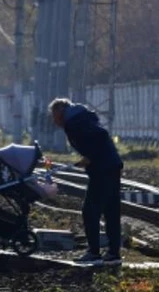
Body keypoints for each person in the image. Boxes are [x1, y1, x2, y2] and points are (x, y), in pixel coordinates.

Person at [49, 98, 124, 265]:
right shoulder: (81, 117)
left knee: (90, 211)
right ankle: (113, 253)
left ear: (61, 112)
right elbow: (96, 138)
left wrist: (90, 156)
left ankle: (94, 252)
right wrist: (87, 157)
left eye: (54, 116)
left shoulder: (74, 122)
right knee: (111, 211)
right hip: (111, 165)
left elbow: (100, 136)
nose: (54, 121)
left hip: (103, 169)